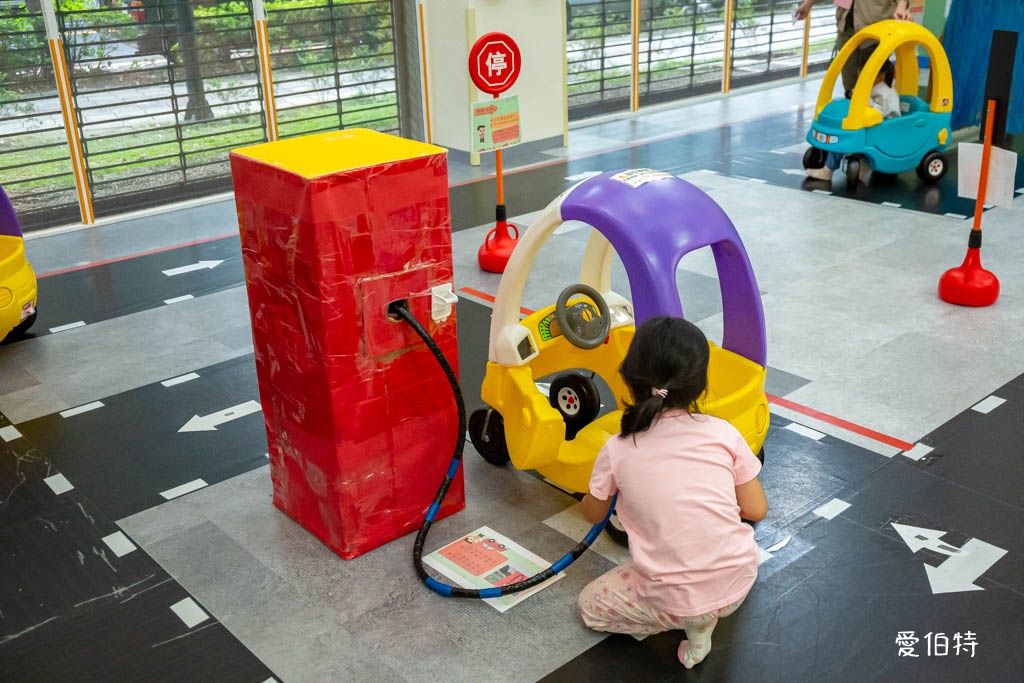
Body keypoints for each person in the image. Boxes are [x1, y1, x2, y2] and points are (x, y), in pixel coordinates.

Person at [577, 316, 768, 670]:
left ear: (628, 377)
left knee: (589, 607)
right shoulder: (723, 433)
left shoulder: (617, 448)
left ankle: (690, 620)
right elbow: (756, 510)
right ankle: (698, 615)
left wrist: (605, 492)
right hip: (738, 580)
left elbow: (592, 513)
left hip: (671, 598)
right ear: (701, 384)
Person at [806, 57, 900, 182]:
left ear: (881, 75)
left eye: (866, 74)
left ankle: (828, 169)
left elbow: (878, 113)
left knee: (844, 135)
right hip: (876, 126)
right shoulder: (876, 89)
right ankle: (860, 164)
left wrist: (863, 99)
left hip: (883, 127)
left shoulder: (884, 92)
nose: (863, 78)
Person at [795, 0, 912, 95]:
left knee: (874, 83)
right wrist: (808, 3)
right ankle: (852, 117)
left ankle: (877, 116)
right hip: (846, 26)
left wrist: (900, 8)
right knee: (850, 82)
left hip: (875, 26)